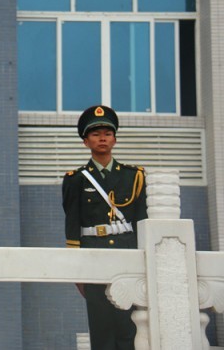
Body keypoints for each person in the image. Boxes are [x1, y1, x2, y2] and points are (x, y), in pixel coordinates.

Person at [62, 105, 148, 350]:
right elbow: (72, 226)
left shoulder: (135, 176)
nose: (102, 138)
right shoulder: (76, 179)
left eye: (107, 133)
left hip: (127, 254)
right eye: (95, 133)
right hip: (94, 254)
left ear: (115, 139)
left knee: (127, 322)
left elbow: (142, 221)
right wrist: (77, 270)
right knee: (100, 325)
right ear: (85, 141)